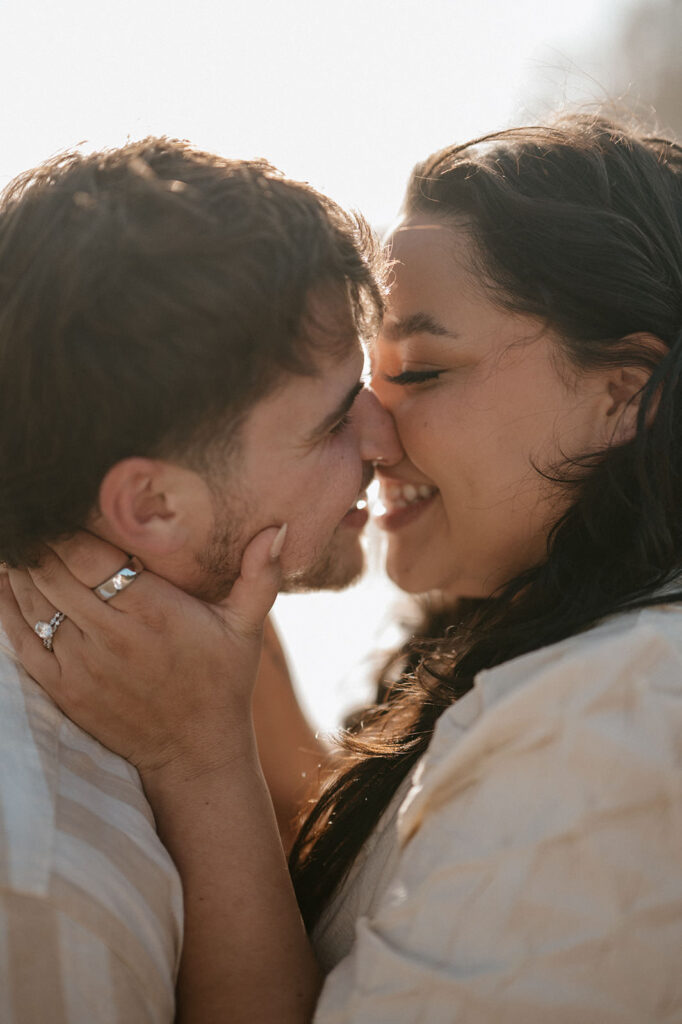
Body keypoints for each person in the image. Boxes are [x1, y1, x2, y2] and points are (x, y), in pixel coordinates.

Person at [3, 112, 682, 1023]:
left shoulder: (617, 712)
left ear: (621, 397)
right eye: (354, 391)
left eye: (425, 370)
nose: (379, 428)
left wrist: (203, 760)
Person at [0, 138, 402, 1023]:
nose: (386, 437)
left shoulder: (224, 649)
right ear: (152, 505)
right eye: (336, 420)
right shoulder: (42, 883)